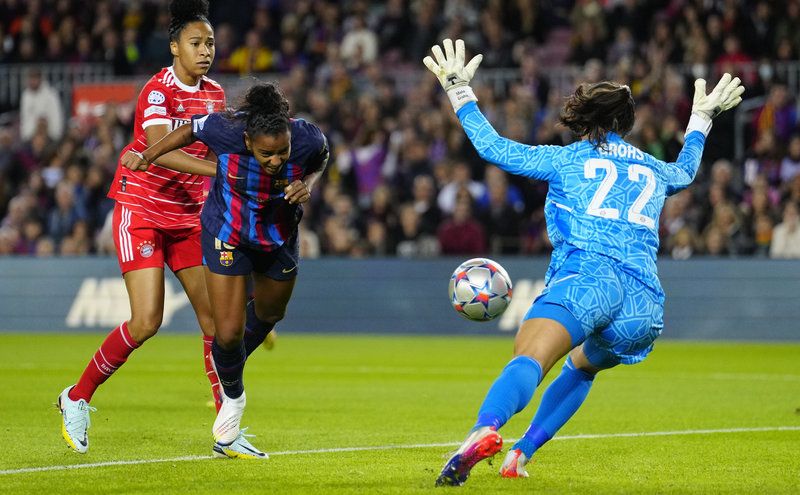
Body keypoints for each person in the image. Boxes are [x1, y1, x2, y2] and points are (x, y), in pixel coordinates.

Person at [423, 39, 744, 485]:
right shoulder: (654, 169)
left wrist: (460, 91)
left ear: (585, 119)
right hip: (644, 304)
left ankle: (484, 429)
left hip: (589, 277)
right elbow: (686, 172)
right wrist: (701, 119)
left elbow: (494, 149)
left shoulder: (567, 159)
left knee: (530, 360)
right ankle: (522, 454)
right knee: (581, 366)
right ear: (626, 125)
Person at [121, 82, 329, 459]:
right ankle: (232, 399)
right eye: (267, 154)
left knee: (270, 313)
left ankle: (227, 365)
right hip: (227, 233)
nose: (276, 160)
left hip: (278, 236)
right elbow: (187, 130)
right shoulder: (226, 128)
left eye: (282, 151)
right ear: (248, 141)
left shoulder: (307, 138)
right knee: (227, 332)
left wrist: (307, 183)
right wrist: (148, 156)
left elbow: (321, 157)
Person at [57, 0, 226, 455]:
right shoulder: (157, 90)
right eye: (196, 43)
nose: (205, 50)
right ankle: (75, 397)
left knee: (215, 323)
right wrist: (220, 174)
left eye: (210, 42)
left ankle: (226, 429)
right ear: (175, 47)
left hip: (187, 216)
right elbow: (159, 148)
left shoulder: (215, 95)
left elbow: (215, 153)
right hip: (142, 209)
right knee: (148, 320)